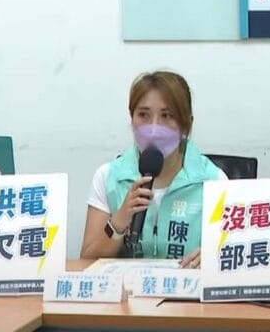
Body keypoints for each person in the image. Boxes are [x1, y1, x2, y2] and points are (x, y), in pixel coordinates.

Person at [81, 71, 227, 266]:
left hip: (187, 285)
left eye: (167, 116)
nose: (154, 129)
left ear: (187, 124)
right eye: (143, 115)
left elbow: (231, 258)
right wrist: (119, 222)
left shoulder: (214, 182)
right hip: (127, 285)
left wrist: (213, 258)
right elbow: (87, 260)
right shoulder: (108, 177)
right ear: (132, 119)